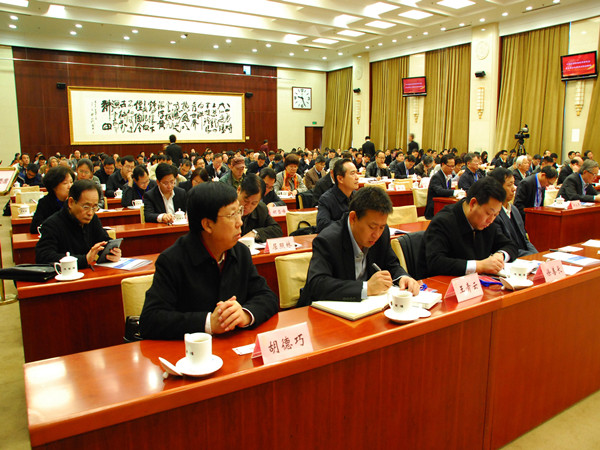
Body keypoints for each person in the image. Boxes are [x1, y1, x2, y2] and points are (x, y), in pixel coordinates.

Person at [139, 182, 278, 339]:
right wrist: (208, 323)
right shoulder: (172, 260)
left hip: (234, 346)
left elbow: (267, 296)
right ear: (208, 225)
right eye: (232, 215)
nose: (240, 222)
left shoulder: (240, 252)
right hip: (191, 350)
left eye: (239, 211)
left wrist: (244, 314)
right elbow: (150, 320)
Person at [298, 187, 419, 306]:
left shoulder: (383, 233)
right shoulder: (328, 240)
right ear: (353, 218)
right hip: (328, 310)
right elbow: (317, 285)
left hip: (367, 307)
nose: (376, 234)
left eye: (382, 227)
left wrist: (402, 278)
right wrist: (367, 287)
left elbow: (391, 264)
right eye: (372, 227)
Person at [423, 177, 518, 277]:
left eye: (496, 215)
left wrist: (500, 256)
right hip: (446, 283)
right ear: (473, 203)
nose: (491, 220)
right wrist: (480, 266)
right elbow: (435, 263)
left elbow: (510, 245)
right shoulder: (443, 221)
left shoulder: (487, 223)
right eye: (488, 213)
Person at [35, 180, 121, 268]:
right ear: (71, 202)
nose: (90, 213)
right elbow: (43, 257)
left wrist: (112, 252)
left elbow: (103, 241)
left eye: (94, 207)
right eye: (86, 207)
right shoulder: (52, 224)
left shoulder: (92, 219)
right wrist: (84, 260)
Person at [488, 167, 537, 257]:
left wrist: (536, 255)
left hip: (526, 257)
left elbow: (525, 240)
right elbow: (502, 247)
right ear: (497, 187)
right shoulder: (492, 214)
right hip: (510, 259)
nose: (514, 189)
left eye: (514, 184)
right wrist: (531, 256)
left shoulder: (514, 209)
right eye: (509, 185)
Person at [316, 159, 358, 233]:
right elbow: (322, 225)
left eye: (356, 173)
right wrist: (349, 226)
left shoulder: (358, 196)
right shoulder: (326, 199)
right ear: (340, 179)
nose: (357, 177)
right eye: (352, 173)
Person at [238, 173, 283, 242]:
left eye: (254, 203)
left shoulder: (261, 209)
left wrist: (254, 233)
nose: (248, 206)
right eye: (246, 201)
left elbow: (277, 230)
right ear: (239, 190)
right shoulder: (225, 207)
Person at [30, 166, 75, 234]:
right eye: (65, 183)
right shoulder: (45, 202)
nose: (70, 186)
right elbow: (35, 227)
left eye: (71, 182)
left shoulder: (75, 202)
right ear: (54, 186)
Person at [424, 154, 462, 219]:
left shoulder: (448, 177)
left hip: (444, 208)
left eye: (453, 166)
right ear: (443, 164)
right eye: (450, 166)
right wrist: (454, 192)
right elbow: (439, 191)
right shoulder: (436, 177)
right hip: (434, 210)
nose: (452, 169)